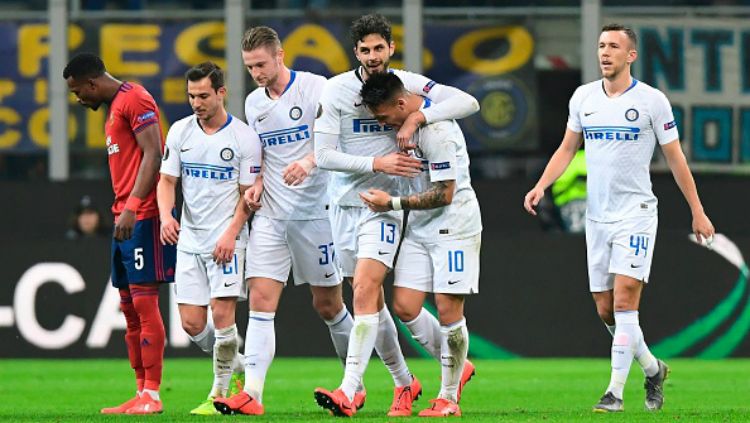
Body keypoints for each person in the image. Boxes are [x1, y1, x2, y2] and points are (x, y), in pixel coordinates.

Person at [523, 23, 715, 413]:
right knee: (606, 309)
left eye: (613, 46)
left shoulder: (651, 101)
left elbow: (675, 158)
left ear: (631, 55)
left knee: (626, 301)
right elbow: (565, 148)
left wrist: (698, 210)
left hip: (637, 214)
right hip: (597, 217)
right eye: (600, 45)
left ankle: (614, 393)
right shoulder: (583, 98)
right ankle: (653, 368)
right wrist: (541, 184)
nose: (604, 52)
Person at [311, 14, 480, 417]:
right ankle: (409, 381)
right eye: (365, 50)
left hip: (391, 207)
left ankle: (351, 389)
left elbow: (469, 102)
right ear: (356, 53)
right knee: (391, 304)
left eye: (379, 48)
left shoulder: (410, 85)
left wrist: (421, 116)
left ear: (391, 47)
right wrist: (377, 162)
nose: (373, 56)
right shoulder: (336, 90)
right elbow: (322, 157)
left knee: (365, 291)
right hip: (348, 203)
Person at [213, 26, 364, 416]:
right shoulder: (253, 104)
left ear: (279, 55)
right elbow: (262, 157)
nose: (257, 73)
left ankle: (355, 385)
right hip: (272, 216)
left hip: (317, 213)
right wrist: (257, 184)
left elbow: (340, 137)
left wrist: (310, 161)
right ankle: (253, 395)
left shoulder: (316, 88)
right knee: (261, 303)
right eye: (249, 67)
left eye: (261, 64)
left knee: (328, 305)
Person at [358, 72, 482, 417]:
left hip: (454, 225)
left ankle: (448, 398)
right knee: (406, 307)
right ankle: (459, 364)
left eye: (383, 117)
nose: (382, 124)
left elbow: (445, 194)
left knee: (447, 309)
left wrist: (393, 204)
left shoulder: (437, 131)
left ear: (401, 103)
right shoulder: (406, 124)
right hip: (420, 226)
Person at [64, 52, 176, 415]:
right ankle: (141, 391)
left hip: (141, 215)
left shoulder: (135, 98)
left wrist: (132, 206)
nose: (78, 99)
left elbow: (153, 154)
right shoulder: (114, 109)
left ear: (92, 83)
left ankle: (154, 395)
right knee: (128, 307)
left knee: (144, 303)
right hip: (123, 217)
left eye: (78, 91)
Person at [156, 62, 262, 415]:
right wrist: (166, 215)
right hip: (189, 240)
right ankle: (240, 365)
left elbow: (247, 195)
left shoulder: (243, 138)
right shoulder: (181, 131)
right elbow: (167, 181)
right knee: (191, 324)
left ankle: (219, 393)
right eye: (191, 96)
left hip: (227, 240)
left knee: (222, 315)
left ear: (221, 92)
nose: (196, 103)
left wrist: (231, 235)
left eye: (203, 95)